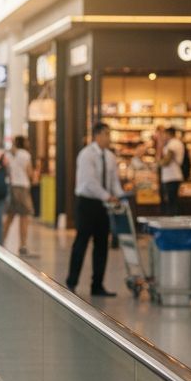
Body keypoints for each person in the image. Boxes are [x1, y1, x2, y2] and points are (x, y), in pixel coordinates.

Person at [65, 121, 124, 296]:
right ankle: (71, 282)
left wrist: (120, 197)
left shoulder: (110, 157)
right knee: (81, 242)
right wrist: (107, 196)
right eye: (106, 134)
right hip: (87, 203)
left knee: (101, 245)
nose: (109, 138)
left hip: (103, 205)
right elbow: (89, 183)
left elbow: (114, 182)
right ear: (97, 135)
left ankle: (97, 285)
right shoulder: (86, 155)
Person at [3, 135, 36, 256]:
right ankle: (22, 245)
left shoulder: (9, 155)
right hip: (22, 188)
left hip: (12, 187)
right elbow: (29, 172)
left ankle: (0, 240)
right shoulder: (25, 155)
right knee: (24, 217)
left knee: (9, 217)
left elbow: (7, 170)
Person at [158, 125, 185, 215]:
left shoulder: (173, 144)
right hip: (173, 175)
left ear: (168, 134)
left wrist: (158, 163)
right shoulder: (177, 143)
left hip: (171, 176)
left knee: (171, 201)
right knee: (172, 200)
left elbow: (167, 161)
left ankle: (173, 221)